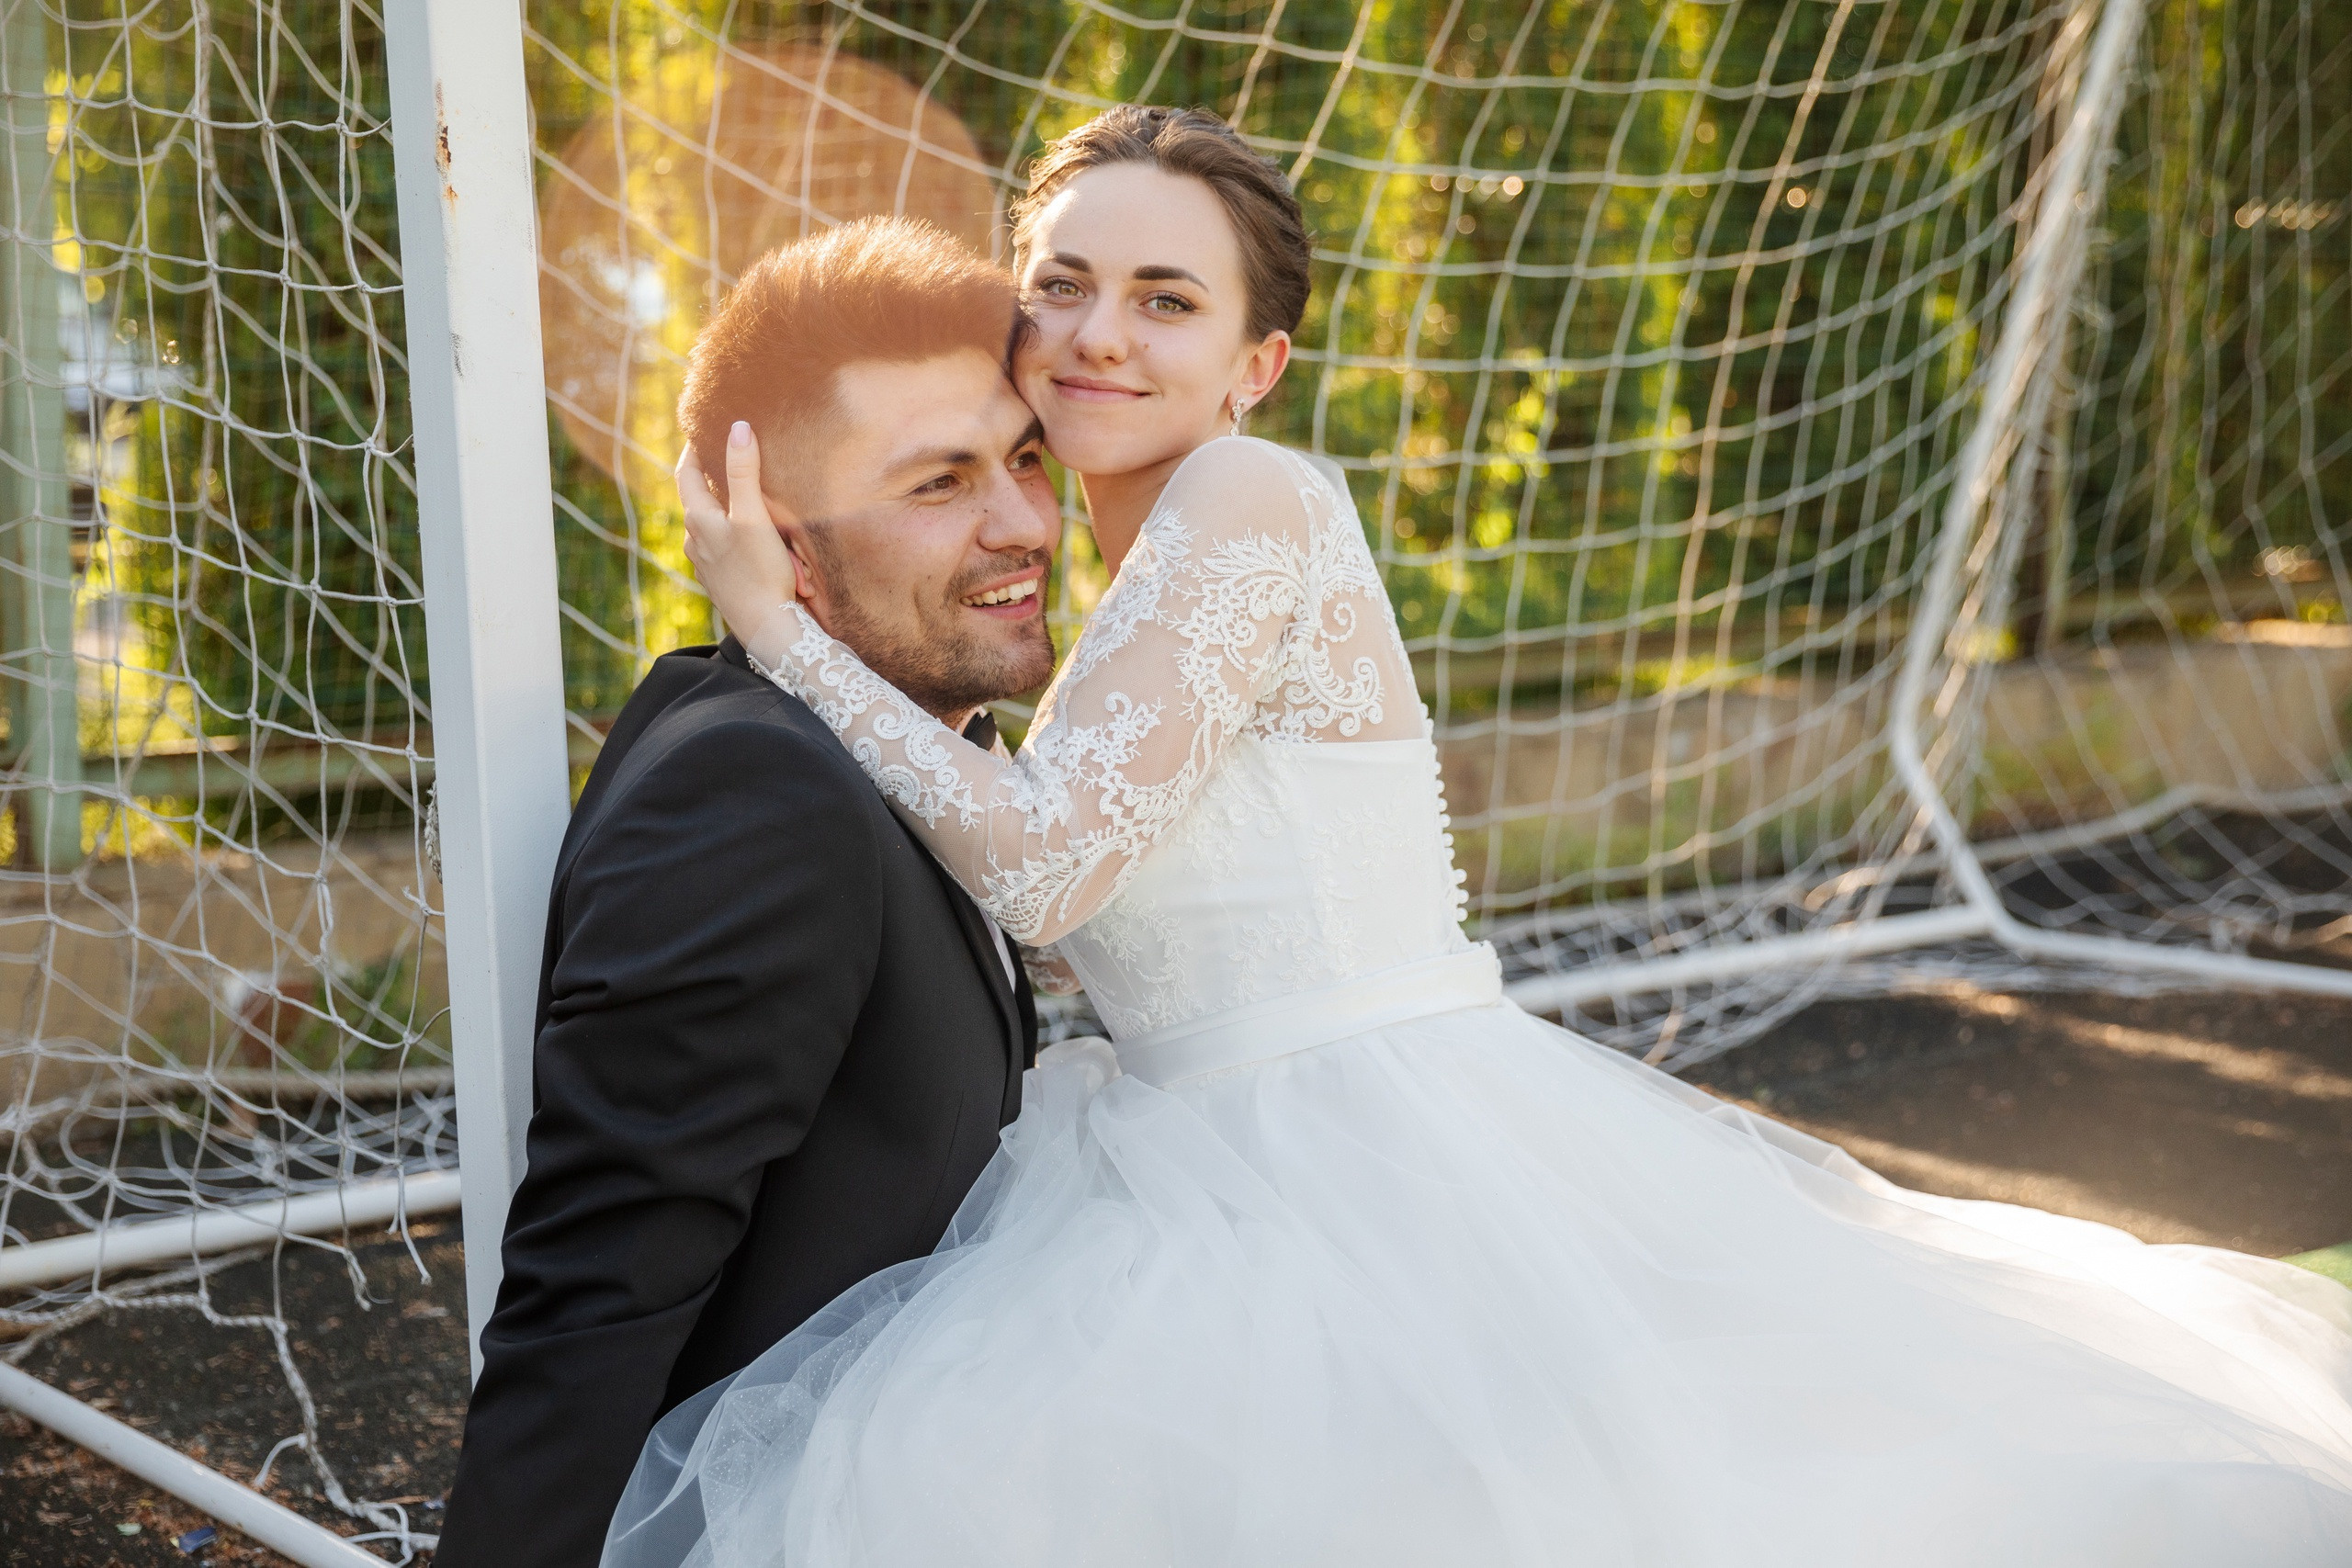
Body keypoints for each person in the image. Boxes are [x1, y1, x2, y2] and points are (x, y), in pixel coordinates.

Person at [612, 107, 2352, 1565]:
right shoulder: (1117, 566)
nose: (1098, 335)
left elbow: (1055, 867)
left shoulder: (1247, 497)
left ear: (1255, 361)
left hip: (1350, 1140)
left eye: (1163, 298)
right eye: (1059, 285)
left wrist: (782, 638)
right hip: (1191, 1135)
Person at [433, 220, 1055, 1567]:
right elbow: (594, 1299)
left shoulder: (910, 757)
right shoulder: (758, 796)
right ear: (783, 546)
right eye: (940, 484)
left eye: (1022, 461)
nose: (1023, 525)